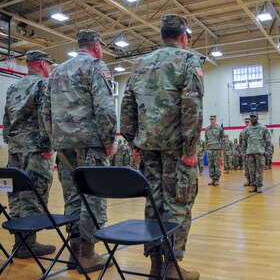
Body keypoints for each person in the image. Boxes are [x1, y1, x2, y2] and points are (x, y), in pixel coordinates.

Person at [120, 14, 203, 280]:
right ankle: (172, 267)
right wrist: (190, 149)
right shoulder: (188, 59)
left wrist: (133, 140)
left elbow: (127, 104)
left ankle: (156, 264)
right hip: (177, 150)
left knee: (153, 203)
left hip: (148, 149)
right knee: (178, 203)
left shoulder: (140, 63)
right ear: (183, 38)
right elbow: (192, 105)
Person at [45, 29, 117, 273]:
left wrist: (53, 138)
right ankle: (88, 254)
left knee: (72, 196)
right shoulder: (96, 66)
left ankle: (74, 253)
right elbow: (105, 108)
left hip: (63, 144)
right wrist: (109, 141)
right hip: (89, 143)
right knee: (93, 198)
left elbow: (45, 111)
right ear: (96, 46)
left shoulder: (56, 71)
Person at [2, 50, 56, 258]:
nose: (49, 69)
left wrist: (10, 141)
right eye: (49, 65)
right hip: (35, 150)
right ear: (42, 64)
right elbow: (45, 116)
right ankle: (29, 244)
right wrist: (46, 145)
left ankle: (19, 243)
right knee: (35, 193)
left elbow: (6, 116)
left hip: (15, 149)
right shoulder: (42, 84)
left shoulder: (14, 86)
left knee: (15, 193)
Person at [242, 112, 271, 193]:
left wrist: (268, 151)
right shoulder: (247, 129)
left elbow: (268, 141)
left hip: (260, 153)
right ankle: (253, 185)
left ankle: (259, 186)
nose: (252, 118)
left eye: (254, 117)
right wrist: (243, 152)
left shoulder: (263, 128)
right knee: (251, 170)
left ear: (257, 117)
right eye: (251, 117)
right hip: (250, 153)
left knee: (260, 170)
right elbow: (244, 142)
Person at [205, 115, 224, 186]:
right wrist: (206, 148)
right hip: (209, 149)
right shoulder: (207, 129)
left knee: (217, 165)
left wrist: (222, 149)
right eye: (210, 119)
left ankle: (217, 179)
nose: (211, 120)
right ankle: (212, 178)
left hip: (217, 149)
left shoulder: (219, 128)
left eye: (212, 119)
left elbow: (222, 139)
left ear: (215, 120)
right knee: (210, 165)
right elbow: (206, 139)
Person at [239, 117, 251, 186]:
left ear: (250, 122)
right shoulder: (242, 132)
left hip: (252, 152)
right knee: (246, 167)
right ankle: (248, 180)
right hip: (245, 152)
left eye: (248, 122)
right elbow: (240, 143)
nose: (246, 123)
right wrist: (241, 151)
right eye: (246, 122)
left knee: (252, 167)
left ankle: (253, 180)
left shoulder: (253, 130)